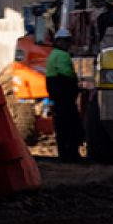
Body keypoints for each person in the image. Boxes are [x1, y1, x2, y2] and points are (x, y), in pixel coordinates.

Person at [44, 30, 84, 161]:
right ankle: (71, 154)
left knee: (61, 126)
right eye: (66, 41)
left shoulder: (52, 55)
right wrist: (77, 87)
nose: (68, 44)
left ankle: (64, 153)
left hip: (57, 97)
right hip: (64, 97)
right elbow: (68, 75)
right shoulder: (62, 56)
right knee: (70, 125)